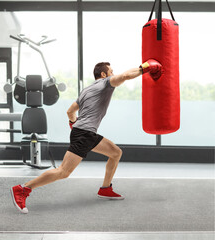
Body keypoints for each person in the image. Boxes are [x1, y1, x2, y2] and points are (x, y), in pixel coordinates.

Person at [11, 59, 162, 214]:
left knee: (116, 153)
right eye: (111, 71)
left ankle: (105, 188)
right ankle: (22, 189)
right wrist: (144, 68)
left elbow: (70, 112)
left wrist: (74, 123)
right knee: (63, 172)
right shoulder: (105, 83)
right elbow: (125, 76)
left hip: (86, 133)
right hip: (84, 134)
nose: (113, 74)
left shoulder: (86, 90)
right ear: (103, 74)